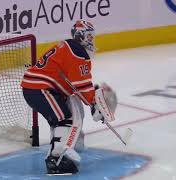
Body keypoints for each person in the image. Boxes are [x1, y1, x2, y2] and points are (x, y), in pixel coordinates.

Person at [21, 20, 112, 175]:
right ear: (79, 35)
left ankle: (69, 145)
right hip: (40, 89)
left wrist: (92, 102)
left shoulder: (69, 46)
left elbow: (78, 87)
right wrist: (94, 104)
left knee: (63, 115)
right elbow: (82, 85)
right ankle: (56, 160)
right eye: (88, 36)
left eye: (92, 36)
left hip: (39, 88)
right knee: (65, 119)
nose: (91, 39)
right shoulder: (77, 51)